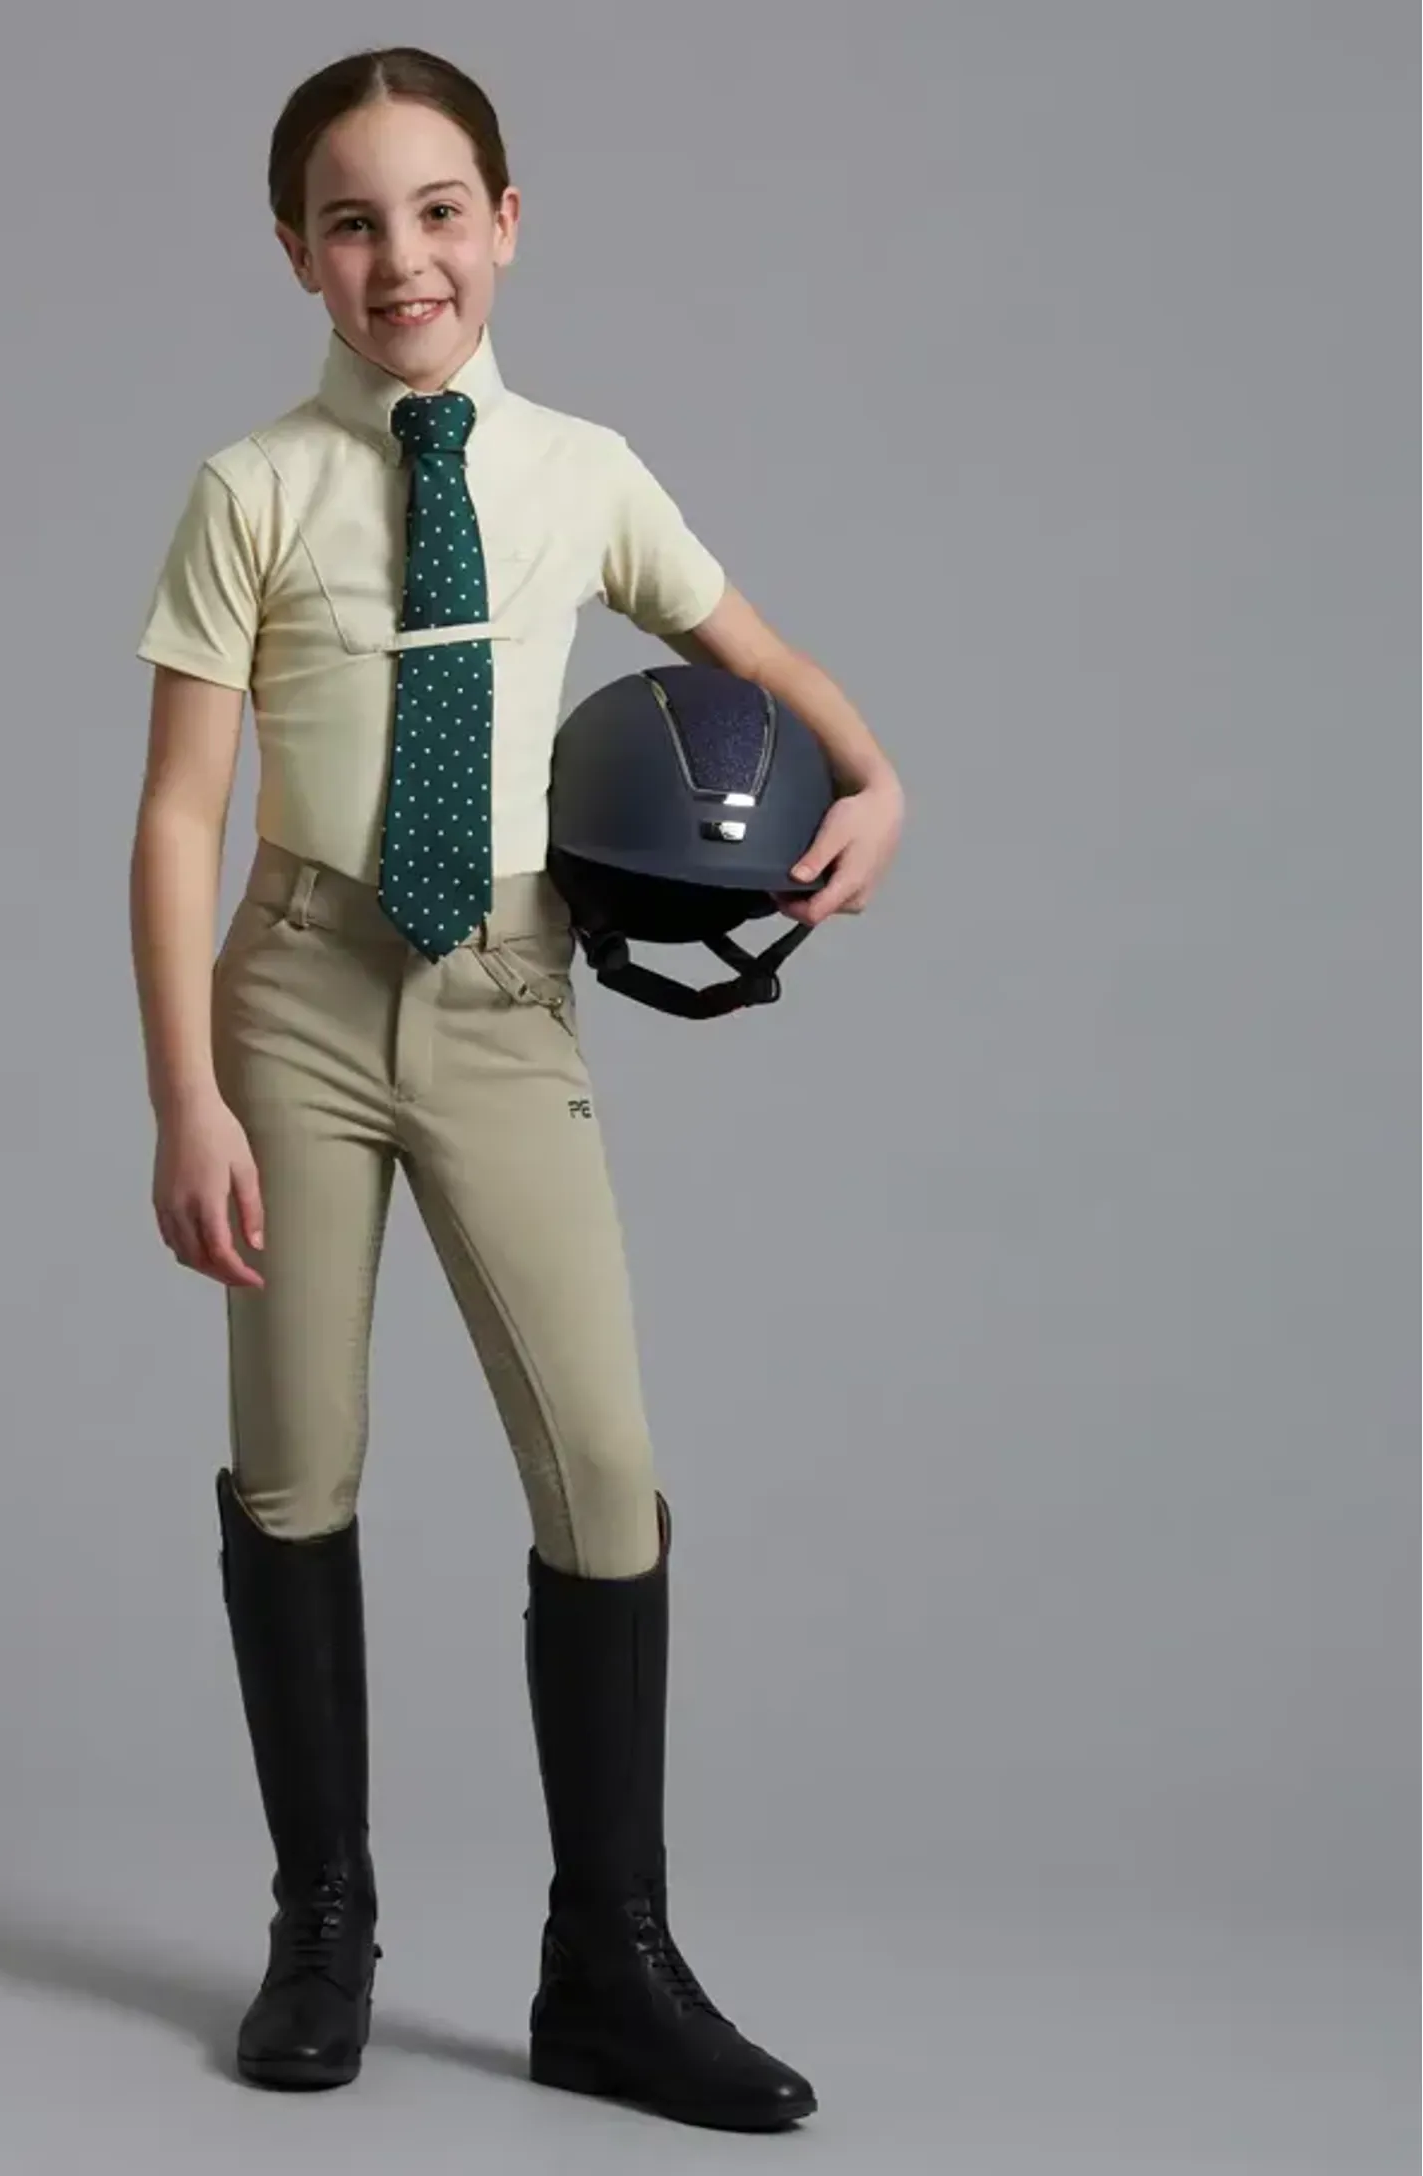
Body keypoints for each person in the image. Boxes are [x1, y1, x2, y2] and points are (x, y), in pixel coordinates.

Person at [128, 45, 904, 2133]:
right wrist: (187, 1093)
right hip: (295, 999)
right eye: (354, 221)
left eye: (440, 210)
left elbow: (760, 659)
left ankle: (609, 1967)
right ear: (296, 250)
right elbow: (180, 813)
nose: (404, 257)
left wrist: (878, 780)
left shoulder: (583, 471)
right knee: (294, 1462)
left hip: (501, 998)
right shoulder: (253, 489)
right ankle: (322, 1925)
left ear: (508, 225)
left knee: (602, 1466)